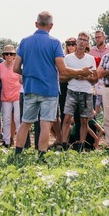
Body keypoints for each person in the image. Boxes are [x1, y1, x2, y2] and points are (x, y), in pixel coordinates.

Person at [13, 12, 92, 158]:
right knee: (45, 124)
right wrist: (81, 71)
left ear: (36, 24)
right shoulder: (54, 43)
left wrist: (30, 73)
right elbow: (63, 70)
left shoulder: (24, 41)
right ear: (51, 25)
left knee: (25, 123)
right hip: (49, 90)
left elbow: (16, 68)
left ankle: (17, 154)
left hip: (30, 88)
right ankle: (41, 155)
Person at [61, 32, 98, 151]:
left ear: (88, 43)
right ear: (77, 41)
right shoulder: (68, 58)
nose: (82, 42)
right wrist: (76, 75)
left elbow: (95, 79)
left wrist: (86, 77)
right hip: (72, 91)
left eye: (85, 40)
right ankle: (64, 145)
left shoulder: (91, 59)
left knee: (84, 120)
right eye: (80, 39)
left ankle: (81, 146)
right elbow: (61, 77)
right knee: (67, 119)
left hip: (86, 93)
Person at [0, 45, 21, 147]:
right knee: (6, 119)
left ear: (14, 55)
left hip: (17, 95)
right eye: (6, 54)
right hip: (5, 96)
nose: (8, 56)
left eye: (11, 54)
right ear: (3, 55)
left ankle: (20, 142)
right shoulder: (0, 66)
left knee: (17, 119)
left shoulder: (18, 65)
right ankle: (6, 141)